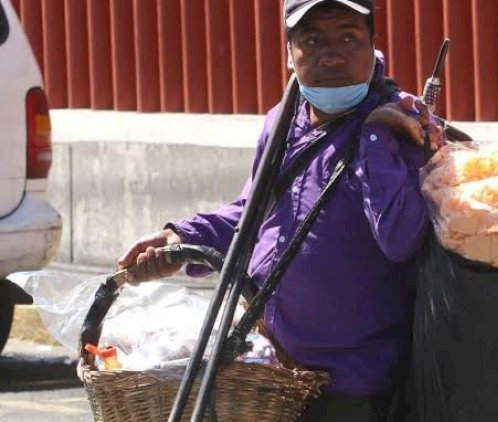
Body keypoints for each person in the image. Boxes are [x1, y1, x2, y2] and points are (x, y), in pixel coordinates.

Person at [117, 0, 443, 420]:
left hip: (354, 385)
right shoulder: (282, 120)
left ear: (373, 44)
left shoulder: (405, 125)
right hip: (274, 373)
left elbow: (401, 239)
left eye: (348, 37)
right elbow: (253, 215)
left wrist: (375, 135)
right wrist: (180, 238)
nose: (332, 55)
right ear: (290, 52)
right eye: (312, 40)